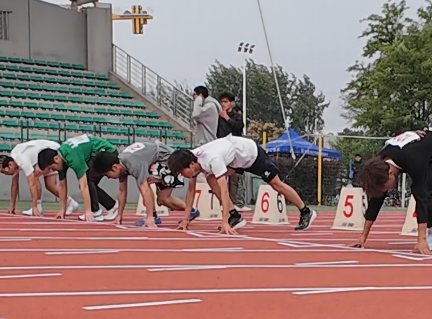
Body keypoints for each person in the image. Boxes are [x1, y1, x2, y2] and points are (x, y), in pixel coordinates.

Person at [167, 135, 316, 234]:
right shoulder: (192, 158)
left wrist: (224, 222)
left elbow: (224, 191)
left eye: (181, 172)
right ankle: (235, 216)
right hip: (234, 161)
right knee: (211, 179)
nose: (182, 175)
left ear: (191, 165)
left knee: (276, 184)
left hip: (251, 155)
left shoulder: (213, 160)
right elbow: (191, 191)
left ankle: (306, 211)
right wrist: (185, 219)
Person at [89, 141, 197, 228]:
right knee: (162, 199)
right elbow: (122, 191)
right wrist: (119, 216)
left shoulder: (132, 163)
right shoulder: (122, 165)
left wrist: (149, 218)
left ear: (114, 167)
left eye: (107, 175)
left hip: (169, 161)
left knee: (145, 183)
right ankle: (191, 210)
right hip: (155, 162)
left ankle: (153, 216)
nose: (108, 178)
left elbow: (145, 190)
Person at [35, 134, 119, 222]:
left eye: (51, 168)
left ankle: (95, 211)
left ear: (56, 159)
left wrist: (88, 210)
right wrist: (63, 209)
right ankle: (112, 206)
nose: (52, 170)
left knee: (88, 180)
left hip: (107, 152)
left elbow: (84, 185)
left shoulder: (73, 157)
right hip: (94, 153)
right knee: (90, 182)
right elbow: (62, 186)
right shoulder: (61, 158)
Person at [0, 139, 81, 216]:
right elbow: (14, 185)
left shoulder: (22, 160)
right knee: (50, 185)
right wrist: (12, 206)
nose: (5, 174)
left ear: (10, 165)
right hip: (45, 153)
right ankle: (71, 203)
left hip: (51, 150)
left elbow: (32, 184)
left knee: (34, 177)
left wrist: (34, 207)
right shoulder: (14, 161)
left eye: (4, 172)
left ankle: (38, 206)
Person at [216, 92, 247, 210]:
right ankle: (222, 202)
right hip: (221, 148)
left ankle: (233, 204)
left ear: (231, 103)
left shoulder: (237, 116)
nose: (223, 104)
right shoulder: (218, 117)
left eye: (226, 102)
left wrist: (227, 118)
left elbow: (239, 127)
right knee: (220, 176)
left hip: (235, 150)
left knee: (234, 178)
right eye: (221, 102)